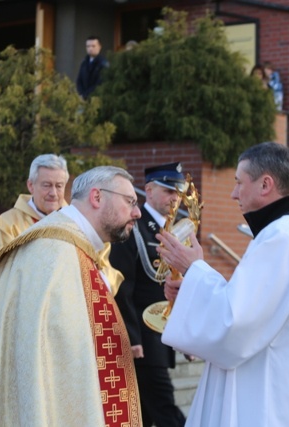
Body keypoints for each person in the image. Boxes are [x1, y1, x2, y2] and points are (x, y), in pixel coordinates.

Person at [157, 141, 289, 426]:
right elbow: (255, 309)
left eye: (239, 182)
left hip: (270, 397)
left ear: (265, 185)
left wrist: (194, 269)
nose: (233, 193)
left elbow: (234, 322)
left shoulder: (281, 237)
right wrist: (194, 283)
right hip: (287, 385)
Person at [0, 166, 142, 426]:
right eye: (130, 201)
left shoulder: (75, 248)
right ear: (97, 197)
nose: (137, 212)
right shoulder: (55, 253)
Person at [110, 162, 188, 427]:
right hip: (143, 338)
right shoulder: (133, 227)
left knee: (141, 415)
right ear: (149, 191)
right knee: (165, 410)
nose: (175, 198)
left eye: (178, 192)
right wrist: (131, 337)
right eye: (168, 191)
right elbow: (123, 285)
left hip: (164, 335)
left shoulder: (179, 230)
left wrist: (188, 334)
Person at [0, 154, 69, 250]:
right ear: (31, 186)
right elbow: (5, 264)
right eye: (46, 185)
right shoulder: (9, 223)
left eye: (59, 186)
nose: (53, 193)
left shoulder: (74, 222)